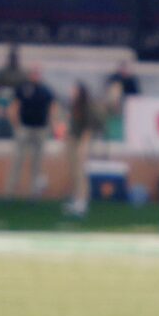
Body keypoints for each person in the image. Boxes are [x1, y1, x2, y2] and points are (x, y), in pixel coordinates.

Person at [5, 61, 58, 197]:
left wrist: (51, 124)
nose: (36, 75)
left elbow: (52, 107)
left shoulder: (46, 90)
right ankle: (10, 190)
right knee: (18, 159)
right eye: (34, 73)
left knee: (37, 162)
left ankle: (34, 192)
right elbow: (14, 106)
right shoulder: (23, 88)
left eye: (38, 73)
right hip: (25, 127)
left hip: (39, 129)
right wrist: (16, 124)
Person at [62, 81, 105, 218]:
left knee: (81, 172)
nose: (71, 92)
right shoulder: (73, 106)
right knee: (74, 171)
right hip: (72, 140)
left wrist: (83, 145)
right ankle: (76, 198)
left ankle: (82, 201)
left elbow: (88, 128)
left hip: (81, 142)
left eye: (74, 90)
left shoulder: (86, 107)